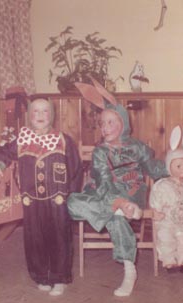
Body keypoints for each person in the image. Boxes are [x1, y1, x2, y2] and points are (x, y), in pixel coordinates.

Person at [67, 77, 168, 297]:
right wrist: (117, 202)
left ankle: (129, 271)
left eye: (111, 122)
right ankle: (120, 207)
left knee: (116, 216)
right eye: (102, 123)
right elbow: (103, 182)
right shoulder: (100, 151)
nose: (105, 127)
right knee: (72, 202)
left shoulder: (138, 147)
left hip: (132, 195)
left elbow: (155, 169)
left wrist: (174, 165)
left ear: (123, 123)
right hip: (106, 195)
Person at [0, 98, 82, 296]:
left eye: (45, 111)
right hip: (31, 199)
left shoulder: (63, 139)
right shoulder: (23, 139)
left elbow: (75, 169)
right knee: (35, 238)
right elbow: (3, 151)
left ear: (52, 115)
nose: (40, 115)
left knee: (59, 237)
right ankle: (41, 275)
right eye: (36, 111)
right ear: (29, 116)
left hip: (57, 200)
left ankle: (59, 277)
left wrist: (70, 194)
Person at [150, 125, 183, 273]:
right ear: (170, 168)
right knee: (165, 236)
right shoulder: (163, 184)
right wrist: (155, 210)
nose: (182, 169)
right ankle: (169, 260)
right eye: (178, 166)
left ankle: (181, 259)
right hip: (167, 219)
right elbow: (155, 198)